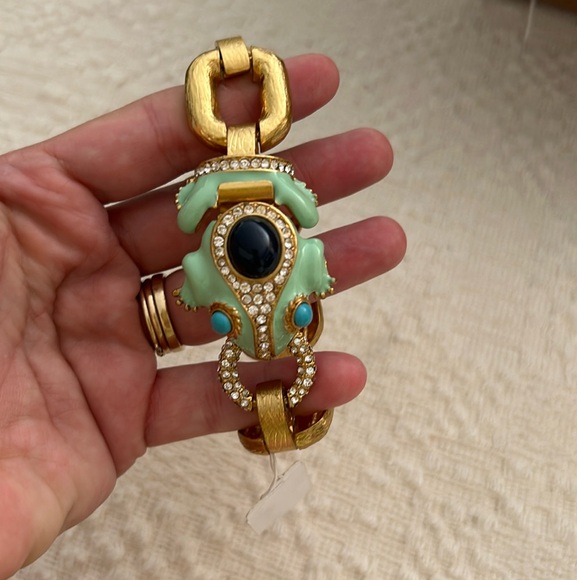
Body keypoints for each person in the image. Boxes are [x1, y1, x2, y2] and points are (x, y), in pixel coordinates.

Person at [0, 53, 406, 577]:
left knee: (305, 257)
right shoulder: (211, 233)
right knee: (206, 269)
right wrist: (203, 201)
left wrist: (285, 204)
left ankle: (283, 302)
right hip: (228, 255)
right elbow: (191, 218)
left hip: (274, 247)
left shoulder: (285, 221)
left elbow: (305, 216)